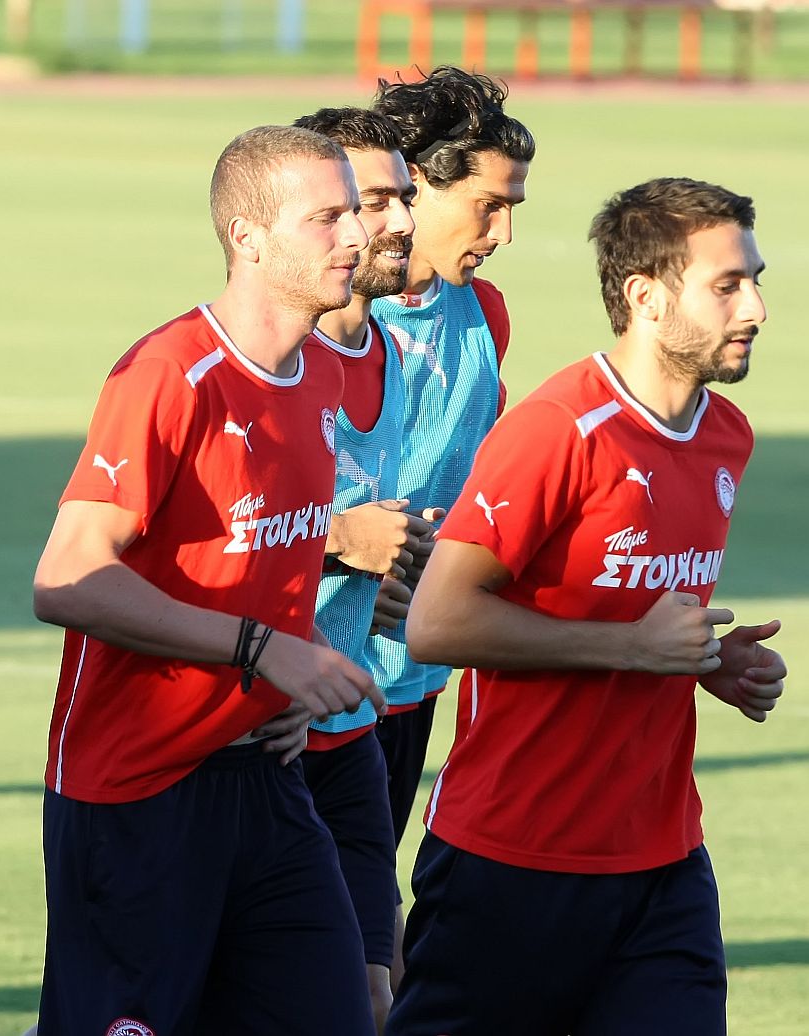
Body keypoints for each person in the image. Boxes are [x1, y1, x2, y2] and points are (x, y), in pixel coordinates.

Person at [388, 177, 785, 1035]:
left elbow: (635, 613)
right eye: (728, 285)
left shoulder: (726, 437)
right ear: (645, 296)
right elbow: (439, 620)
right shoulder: (559, 429)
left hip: (664, 859)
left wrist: (711, 661)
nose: (755, 304)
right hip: (511, 861)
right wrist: (634, 648)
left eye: (756, 279)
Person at [32, 124, 382, 1035]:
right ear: (248, 238)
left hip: (268, 781)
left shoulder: (315, 380)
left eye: (356, 214)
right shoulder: (170, 373)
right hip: (137, 792)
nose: (356, 237)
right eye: (327, 219)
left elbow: (266, 558)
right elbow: (67, 579)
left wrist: (288, 677)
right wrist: (265, 651)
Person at [365, 65, 534, 984]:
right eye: (486, 204)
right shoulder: (329, 314)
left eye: (513, 207)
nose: (503, 232)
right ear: (413, 188)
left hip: (413, 669)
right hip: (307, 672)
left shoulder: (485, 317)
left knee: (366, 911)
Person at [290, 105, 423, 1034]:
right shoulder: (252, 361)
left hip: (351, 734)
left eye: (404, 199)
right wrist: (339, 539)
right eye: (375, 201)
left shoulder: (399, 360)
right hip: (242, 744)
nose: (403, 224)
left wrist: (394, 579)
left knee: (371, 1000)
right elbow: (168, 551)